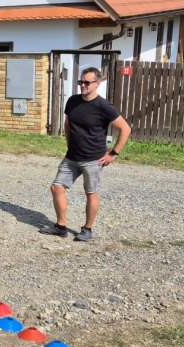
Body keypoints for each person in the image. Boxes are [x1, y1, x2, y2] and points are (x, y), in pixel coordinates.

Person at [40, 67, 131, 241]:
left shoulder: (104, 106)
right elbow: (67, 125)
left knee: (90, 193)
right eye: (81, 82)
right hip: (72, 157)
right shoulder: (73, 101)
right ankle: (61, 227)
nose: (83, 85)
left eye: (87, 83)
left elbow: (125, 129)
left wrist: (113, 153)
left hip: (93, 159)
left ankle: (87, 229)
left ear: (97, 84)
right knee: (56, 187)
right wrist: (69, 144)